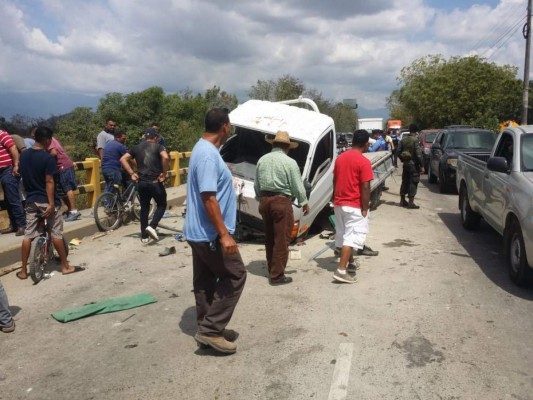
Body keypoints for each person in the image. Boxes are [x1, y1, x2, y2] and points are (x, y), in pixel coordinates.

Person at [184, 107, 247, 354]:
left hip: (197, 231)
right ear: (225, 127)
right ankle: (211, 329)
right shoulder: (209, 155)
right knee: (236, 275)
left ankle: (207, 328)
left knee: (205, 281)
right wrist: (224, 234)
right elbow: (209, 197)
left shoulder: (203, 149)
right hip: (210, 233)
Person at [18, 126, 80, 279]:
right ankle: (65, 266)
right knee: (56, 233)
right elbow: (49, 181)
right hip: (46, 201)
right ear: (47, 140)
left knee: (28, 236)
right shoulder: (47, 158)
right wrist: (51, 204)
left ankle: (23, 271)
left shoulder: (24, 156)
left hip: (31, 201)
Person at [254, 130, 309, 285]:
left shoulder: (262, 160)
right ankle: (277, 275)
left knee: (270, 237)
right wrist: (304, 201)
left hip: (265, 200)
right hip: (281, 202)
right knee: (282, 239)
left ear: (274, 145)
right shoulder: (289, 162)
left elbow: (257, 185)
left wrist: (261, 199)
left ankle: (272, 268)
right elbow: (297, 185)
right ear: (287, 147)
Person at [332, 129, 374, 284]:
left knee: (344, 235)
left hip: (339, 203)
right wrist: (365, 207)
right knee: (352, 237)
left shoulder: (340, 158)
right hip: (354, 205)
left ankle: (350, 264)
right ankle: (341, 270)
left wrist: (334, 199)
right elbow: (365, 187)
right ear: (365, 144)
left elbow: (335, 181)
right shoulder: (363, 162)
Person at [120, 128, 168, 243]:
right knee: (161, 204)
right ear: (155, 138)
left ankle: (144, 236)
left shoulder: (136, 148)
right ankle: (152, 226)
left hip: (142, 183)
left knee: (144, 208)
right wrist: (164, 173)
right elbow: (165, 157)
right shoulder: (158, 147)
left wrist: (132, 173)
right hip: (155, 182)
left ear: (145, 138)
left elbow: (123, 159)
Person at [47, 134, 81, 221]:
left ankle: (74, 211)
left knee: (67, 188)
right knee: (62, 191)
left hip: (63, 166)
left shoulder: (49, 140)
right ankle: (70, 210)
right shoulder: (51, 139)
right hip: (60, 167)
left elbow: (53, 152)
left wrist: (44, 156)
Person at [0, 129, 26, 236]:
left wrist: (16, 165)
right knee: (7, 199)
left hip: (7, 169)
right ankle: (14, 225)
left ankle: (22, 225)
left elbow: (13, 148)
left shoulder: (1, 134)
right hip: (1, 170)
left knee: (13, 197)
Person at [397, 124, 424, 209]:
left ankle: (402, 200)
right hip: (414, 165)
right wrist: (422, 165)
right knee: (413, 181)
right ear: (416, 131)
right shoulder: (415, 140)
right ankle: (411, 203)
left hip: (406, 164)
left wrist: (402, 159)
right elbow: (419, 154)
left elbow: (398, 151)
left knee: (405, 180)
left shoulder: (403, 140)